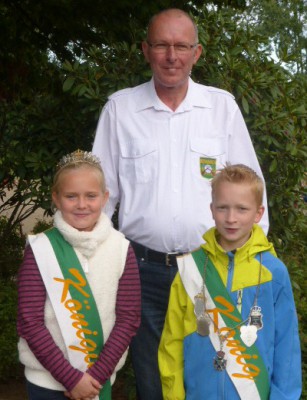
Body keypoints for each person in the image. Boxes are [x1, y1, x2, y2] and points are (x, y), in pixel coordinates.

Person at [92, 8, 270, 399]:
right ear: (145, 50)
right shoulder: (120, 110)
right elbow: (100, 198)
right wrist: (94, 266)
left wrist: (245, 262)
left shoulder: (221, 108)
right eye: (161, 45)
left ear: (197, 53)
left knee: (214, 377)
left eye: (181, 46)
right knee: (155, 381)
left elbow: (251, 191)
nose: (171, 55)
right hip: (142, 273)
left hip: (210, 270)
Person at [159, 164, 302, 400]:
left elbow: (287, 349)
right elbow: (171, 342)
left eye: (242, 209)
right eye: (223, 208)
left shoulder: (273, 272)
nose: (231, 218)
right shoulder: (190, 269)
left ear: (258, 213)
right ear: (211, 209)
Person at [17, 150, 141, 400]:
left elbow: (128, 318)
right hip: (46, 383)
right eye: (71, 196)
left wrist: (96, 376)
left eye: (91, 196)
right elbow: (30, 321)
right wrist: (71, 378)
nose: (82, 204)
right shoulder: (40, 249)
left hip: (98, 381)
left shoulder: (121, 248)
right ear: (56, 198)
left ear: (105, 198)